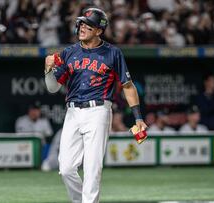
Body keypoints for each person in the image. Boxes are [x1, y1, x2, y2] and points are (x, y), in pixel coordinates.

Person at [44, 7, 147, 203]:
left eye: (88, 24)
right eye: (81, 23)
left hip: (99, 110)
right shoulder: (69, 53)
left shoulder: (112, 53)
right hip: (73, 112)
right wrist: (48, 70)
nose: (82, 27)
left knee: (92, 168)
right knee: (65, 168)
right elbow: (52, 88)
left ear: (99, 30)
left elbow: (127, 85)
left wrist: (138, 117)